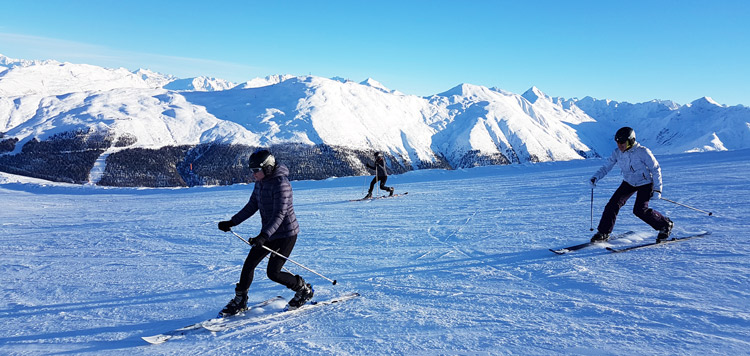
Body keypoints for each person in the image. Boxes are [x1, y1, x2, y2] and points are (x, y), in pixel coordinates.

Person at [217, 149, 313, 316]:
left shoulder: (281, 184)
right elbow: (251, 206)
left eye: (256, 170)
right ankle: (240, 300)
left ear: (267, 168)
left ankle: (303, 289)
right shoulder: (260, 183)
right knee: (249, 264)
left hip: (286, 234)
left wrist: (263, 236)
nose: (253, 174)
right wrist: (232, 222)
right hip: (269, 233)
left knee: (273, 273)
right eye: (252, 170)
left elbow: (279, 214)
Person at [589, 127, 673, 243]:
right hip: (628, 182)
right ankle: (603, 232)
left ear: (631, 141)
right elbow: (606, 167)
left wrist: (657, 189)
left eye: (622, 142)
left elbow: (655, 169)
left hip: (646, 183)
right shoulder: (617, 153)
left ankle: (665, 225)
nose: (620, 145)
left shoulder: (643, 152)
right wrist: (596, 177)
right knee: (612, 205)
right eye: (617, 142)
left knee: (640, 210)